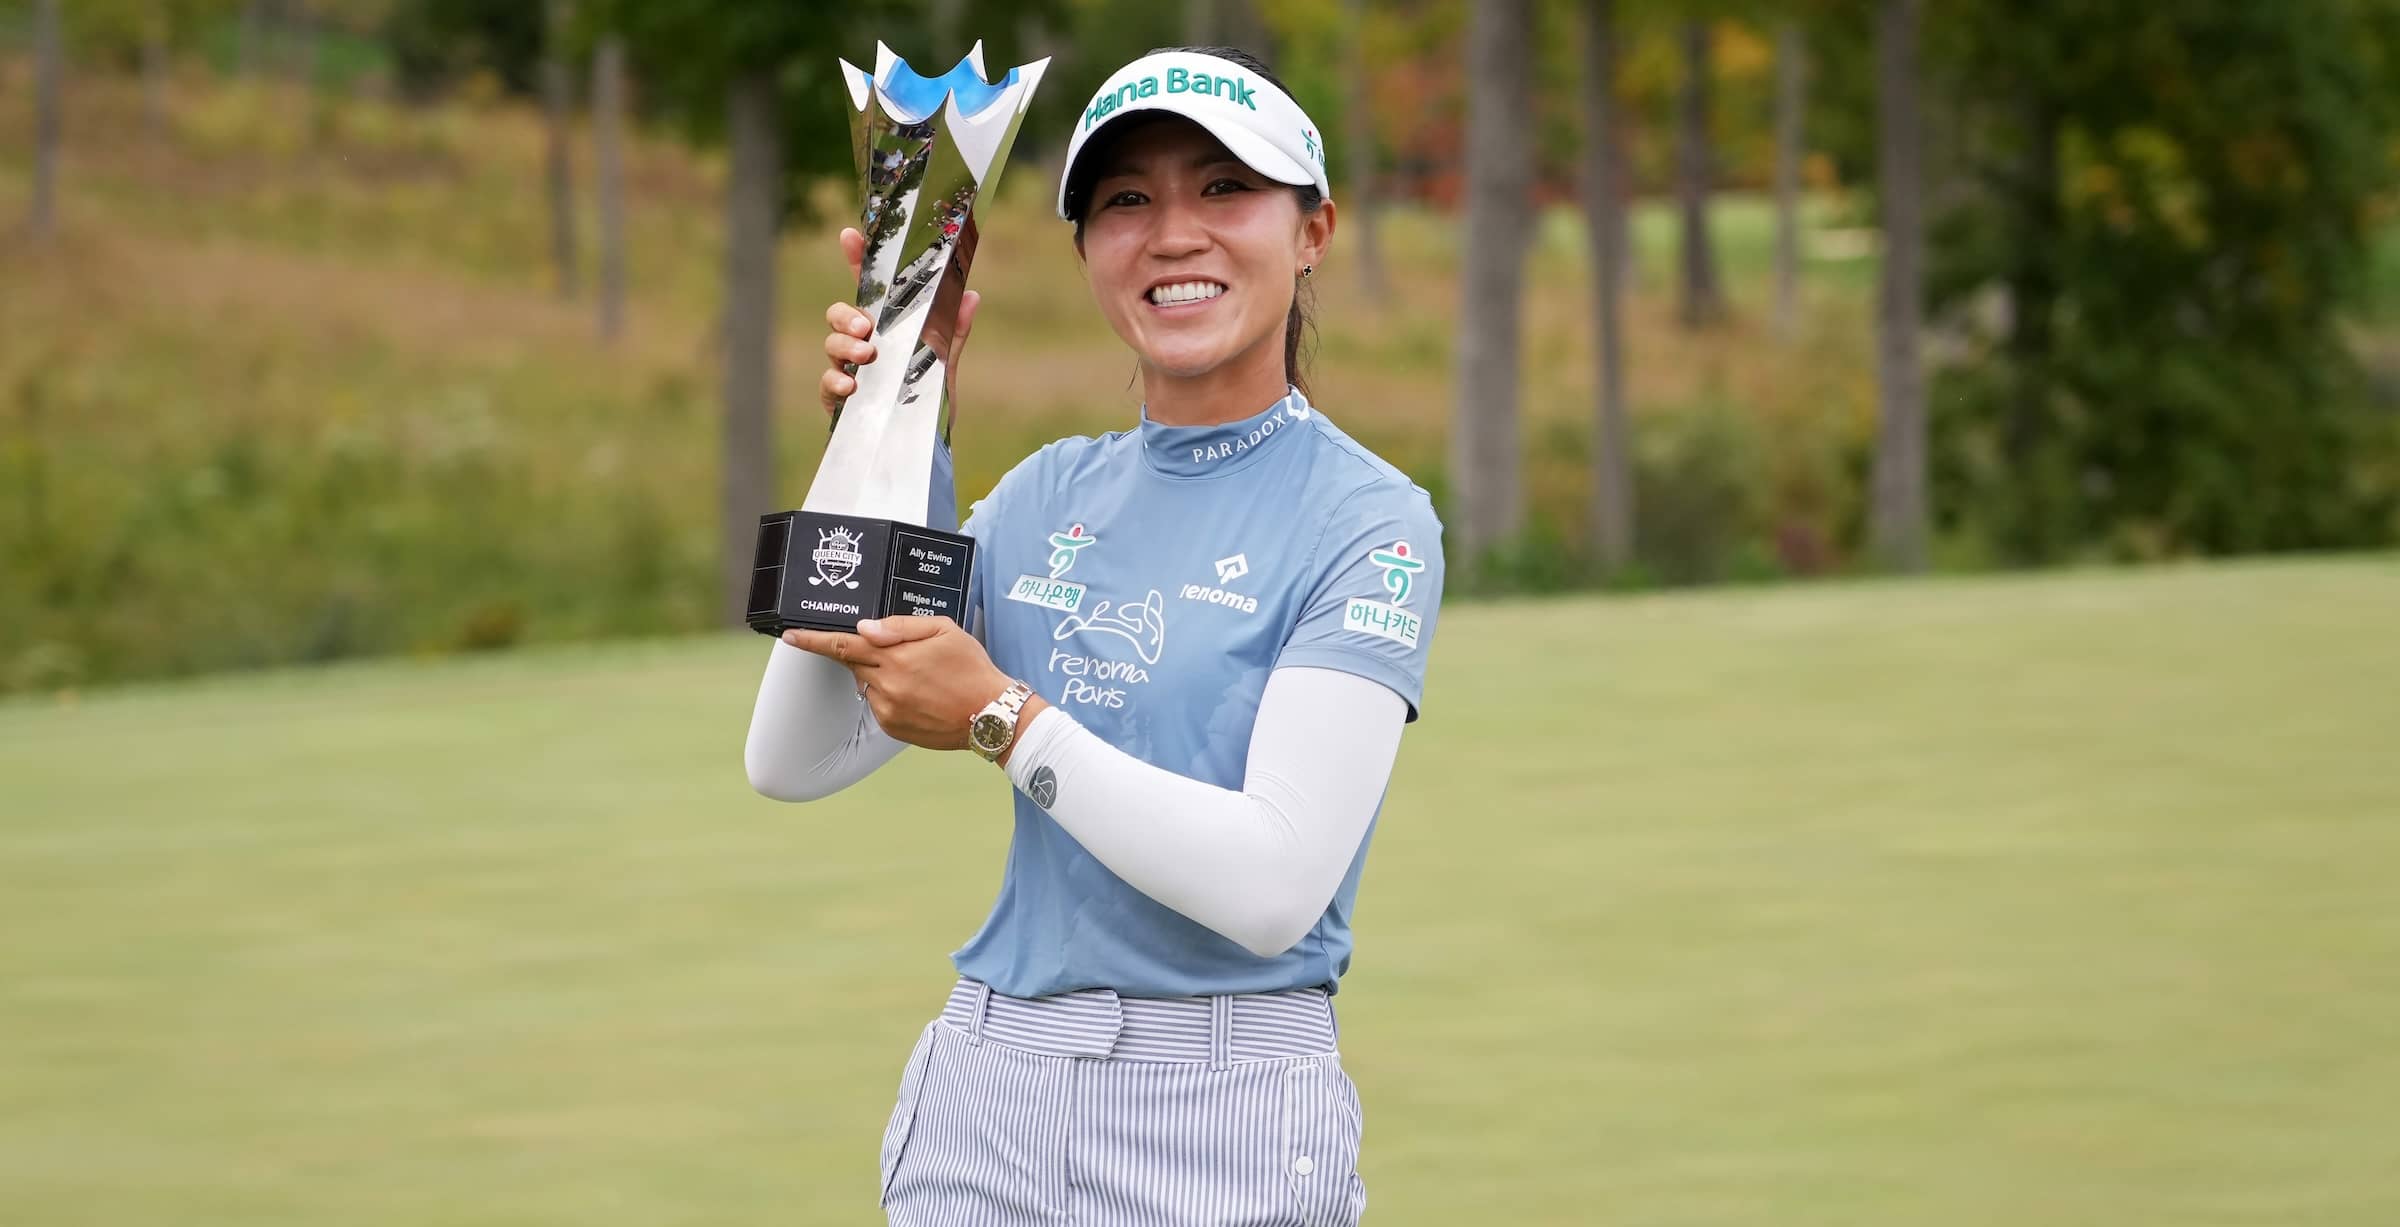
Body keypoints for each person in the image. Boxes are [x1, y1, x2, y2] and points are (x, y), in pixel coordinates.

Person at [745, 44, 1444, 1227]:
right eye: (1126, 201)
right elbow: (796, 756)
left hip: (1227, 1110)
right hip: (987, 1087)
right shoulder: (1039, 496)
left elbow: (1274, 885)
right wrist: (886, 426)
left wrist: (1003, 719)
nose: (1174, 233)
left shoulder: (1369, 520)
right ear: (1086, 253)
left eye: (1224, 188)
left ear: (1314, 230)